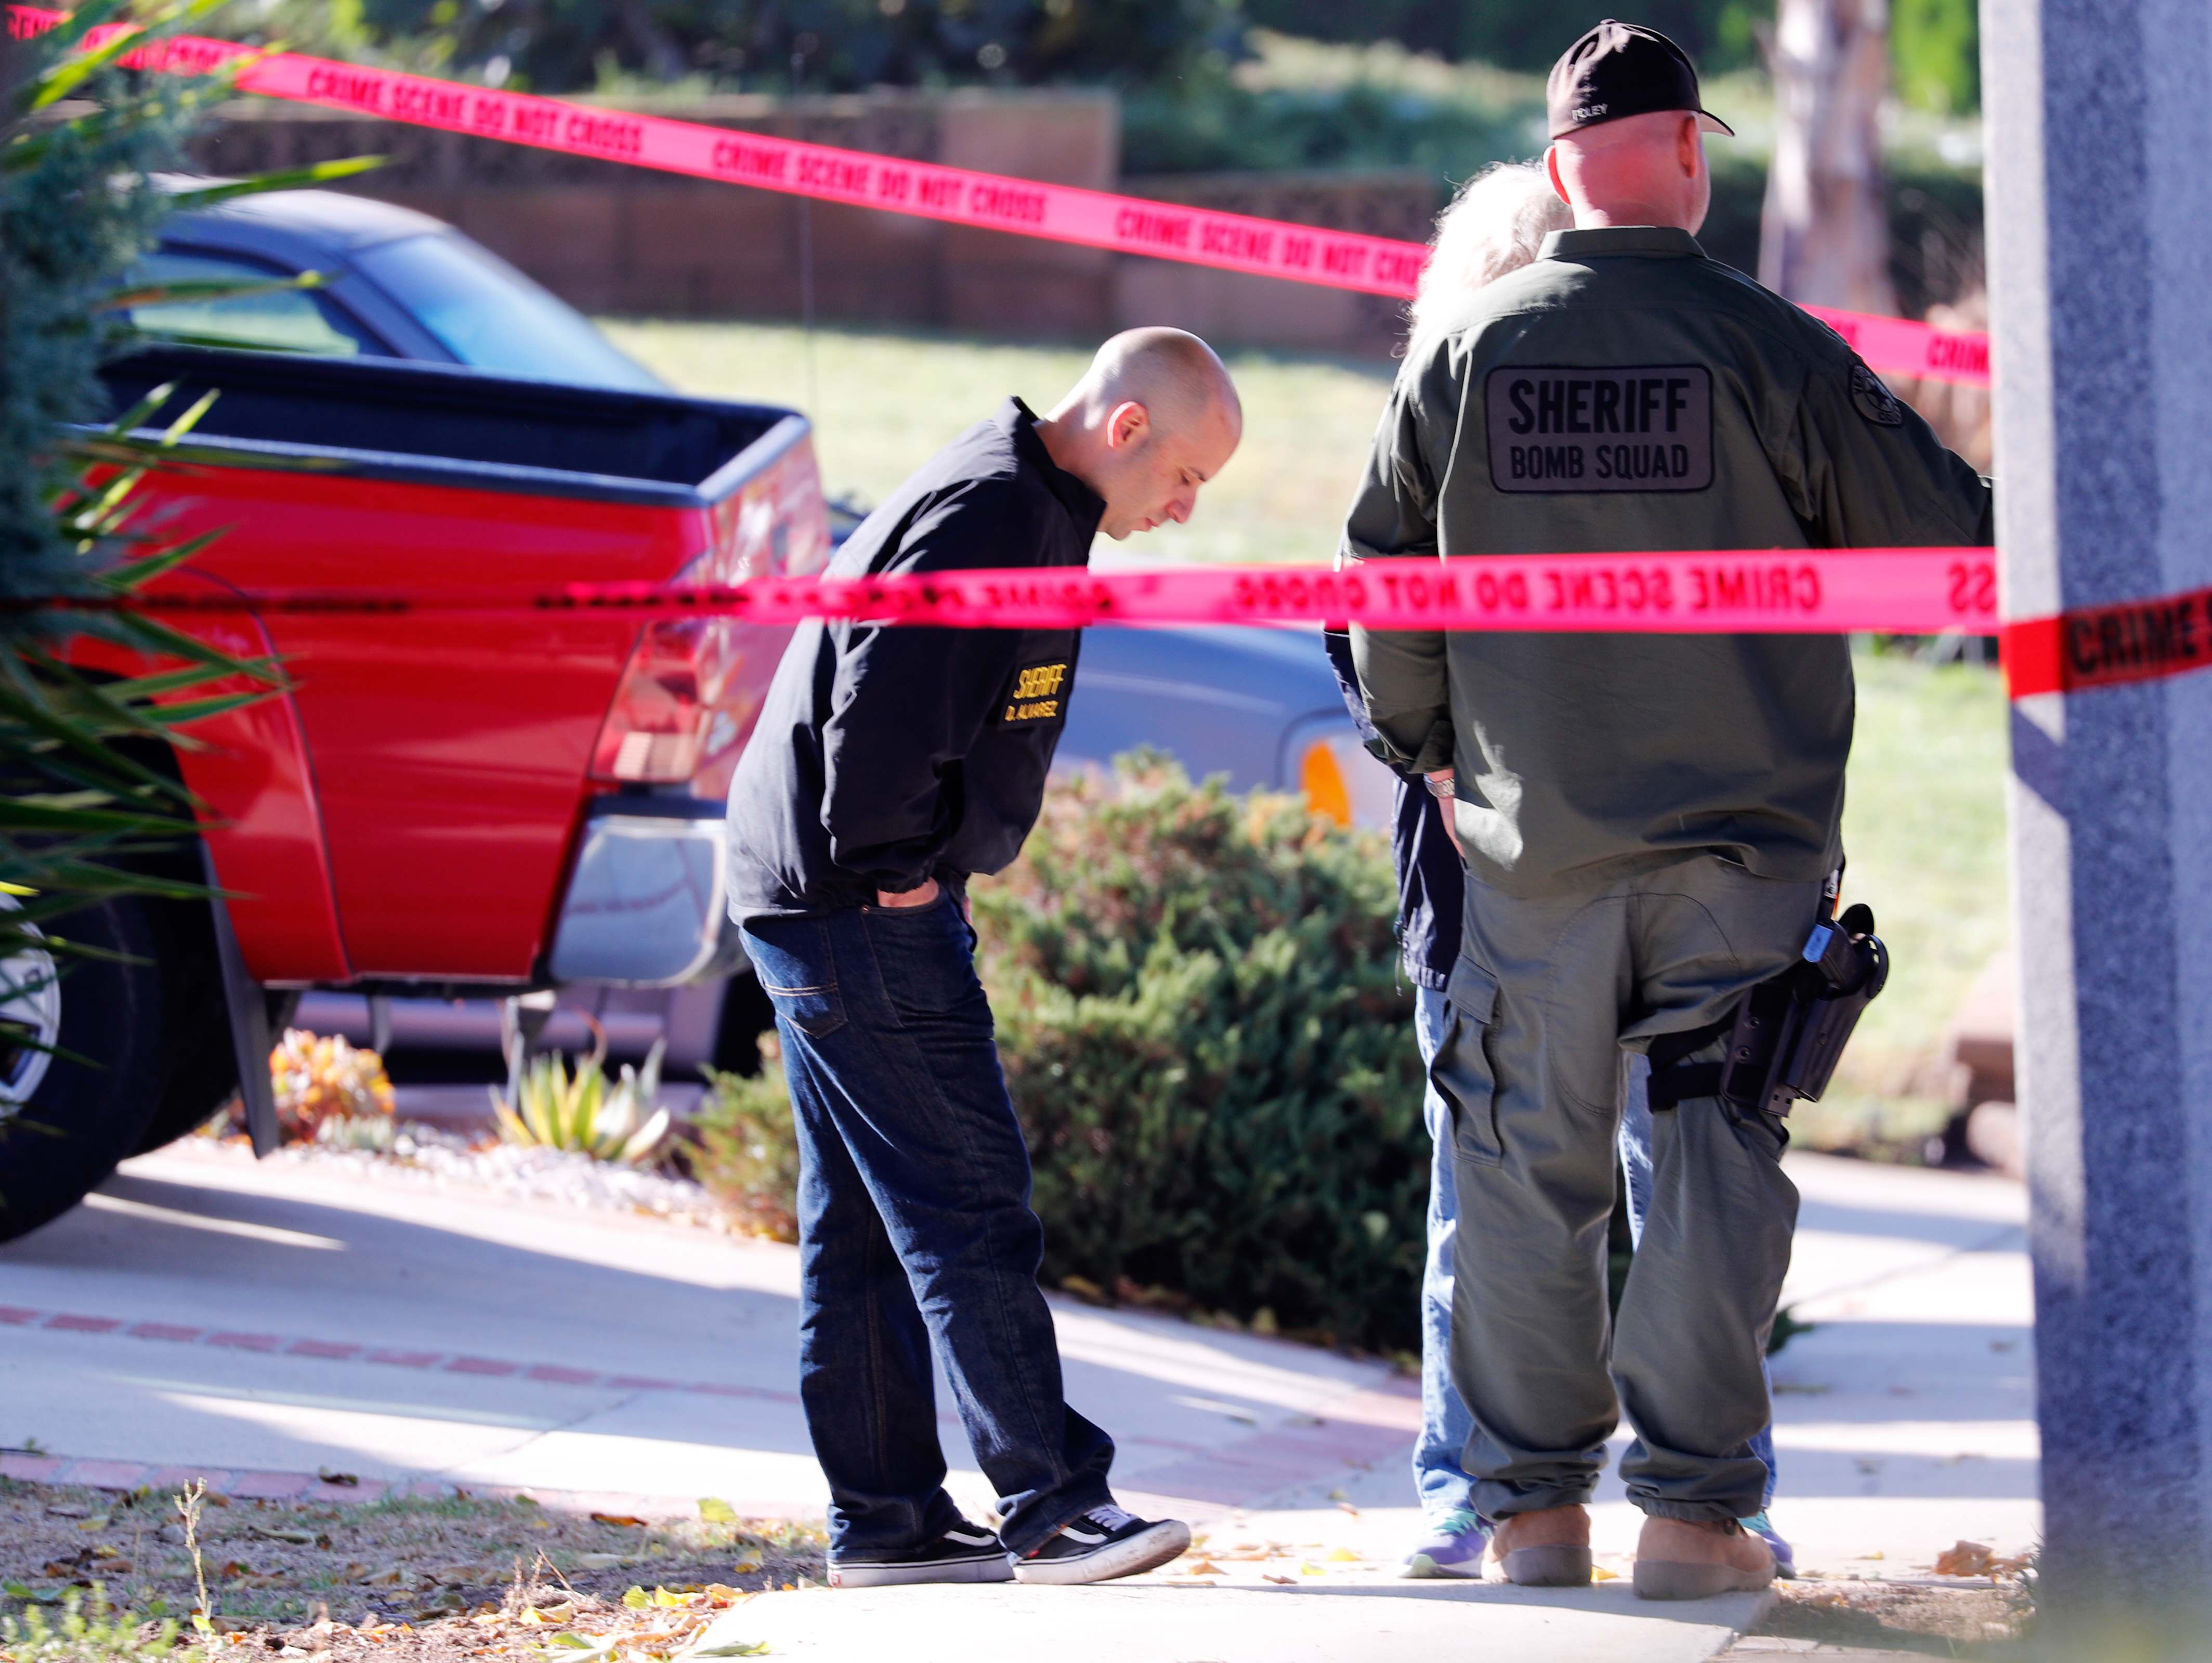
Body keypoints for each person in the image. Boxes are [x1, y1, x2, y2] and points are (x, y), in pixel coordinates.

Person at [1344, 20, 1991, 1601]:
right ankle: (1698, 1522)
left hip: (1530, 847)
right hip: (1740, 851)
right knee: (1710, 1165)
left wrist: (1433, 747)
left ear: (1559, 173)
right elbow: (1947, 541)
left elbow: (1380, 582)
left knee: (1519, 1170)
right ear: (1692, 153)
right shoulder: (1772, 345)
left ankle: (1527, 1518)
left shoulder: (1468, 346)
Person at [1328, 158, 1790, 1583]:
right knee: (1593, 1170)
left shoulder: (1530, 426)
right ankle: (1573, 1491)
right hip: (1530, 883)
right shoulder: (1460, 426)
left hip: (1588, 880)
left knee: (1591, 1173)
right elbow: (1366, 630)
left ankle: (1617, 1499)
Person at [724, 328, 1242, 1590]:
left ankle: (888, 1519)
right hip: (852, 896)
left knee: (859, 1226)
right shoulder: (991, 512)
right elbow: (880, 712)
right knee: (968, 1196)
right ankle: (1053, 1503)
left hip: (818, 889)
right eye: (1184, 479)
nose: (1183, 512)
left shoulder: (1035, 500)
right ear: (1127, 429)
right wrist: (903, 870)